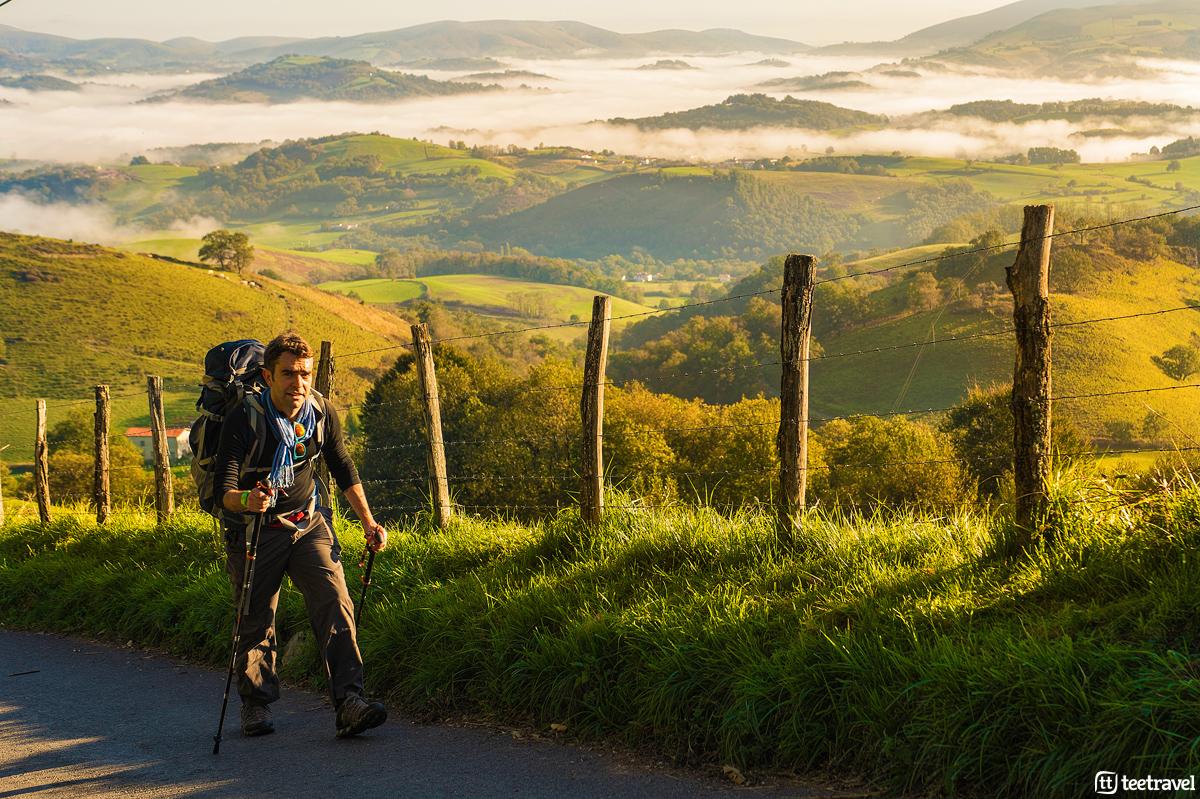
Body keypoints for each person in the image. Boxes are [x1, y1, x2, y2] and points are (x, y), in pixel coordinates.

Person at [216, 331, 388, 739]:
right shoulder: (245, 418)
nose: (299, 383)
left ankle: (350, 702)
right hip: (256, 530)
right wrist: (247, 500)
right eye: (289, 374)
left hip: (309, 522)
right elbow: (224, 490)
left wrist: (368, 522)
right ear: (268, 375)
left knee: (336, 603)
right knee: (257, 618)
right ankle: (255, 706)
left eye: (305, 374)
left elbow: (342, 466)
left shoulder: (320, 412)